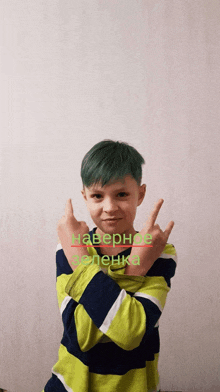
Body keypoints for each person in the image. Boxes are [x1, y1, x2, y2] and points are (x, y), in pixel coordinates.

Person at [41, 140, 177, 392]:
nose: (109, 207)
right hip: (70, 384)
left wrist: (132, 264)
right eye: (97, 196)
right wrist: (135, 270)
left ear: (141, 194)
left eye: (122, 194)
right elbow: (80, 335)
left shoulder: (159, 252)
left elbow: (130, 333)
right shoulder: (69, 248)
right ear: (85, 197)